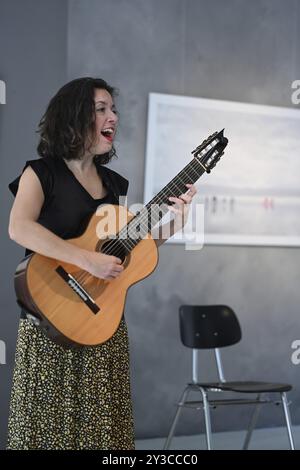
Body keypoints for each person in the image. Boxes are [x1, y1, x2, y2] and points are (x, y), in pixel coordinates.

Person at [7, 77, 197, 450]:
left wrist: (176, 222)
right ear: (75, 116)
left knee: (102, 433)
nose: (113, 116)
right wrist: (85, 260)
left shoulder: (114, 184)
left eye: (113, 109)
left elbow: (126, 249)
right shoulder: (41, 172)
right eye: (101, 109)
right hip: (51, 318)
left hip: (102, 318)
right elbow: (19, 229)